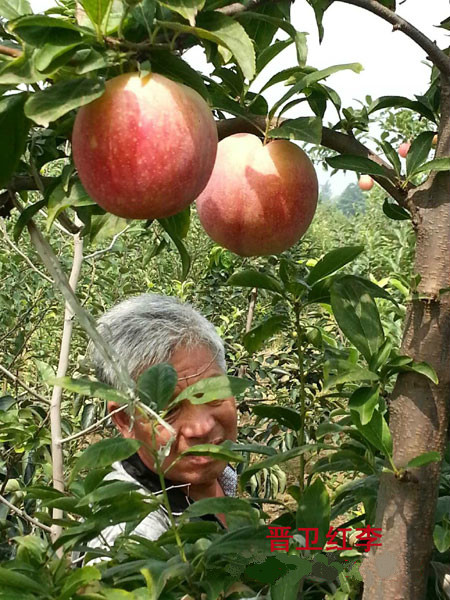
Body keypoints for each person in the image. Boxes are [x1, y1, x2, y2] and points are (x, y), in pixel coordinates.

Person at [83, 293, 238, 554]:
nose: (201, 428)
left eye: (212, 394)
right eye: (167, 411)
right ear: (124, 419)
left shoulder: (222, 474)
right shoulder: (133, 537)